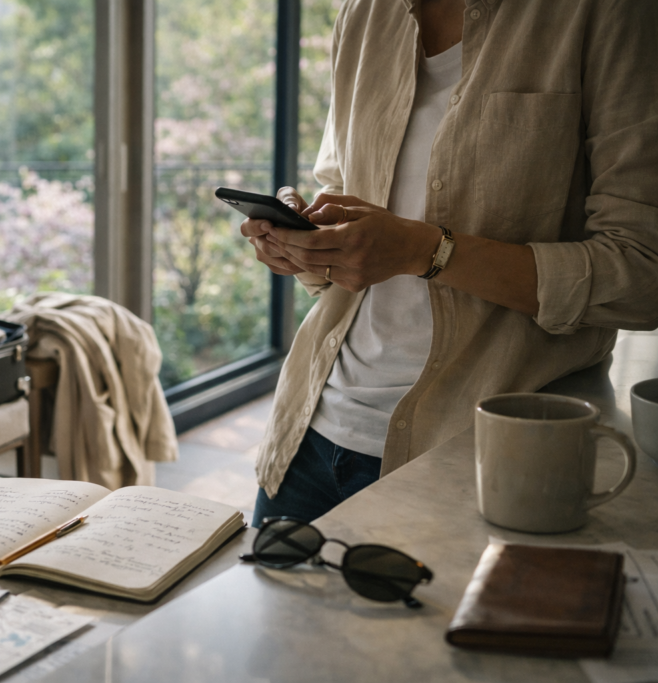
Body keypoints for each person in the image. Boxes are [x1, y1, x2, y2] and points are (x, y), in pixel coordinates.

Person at [242, 0, 658, 527]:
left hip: (483, 451)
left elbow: (643, 272)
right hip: (309, 432)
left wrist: (427, 252)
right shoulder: (364, 13)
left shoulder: (607, 13)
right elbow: (342, 186)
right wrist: (306, 244)